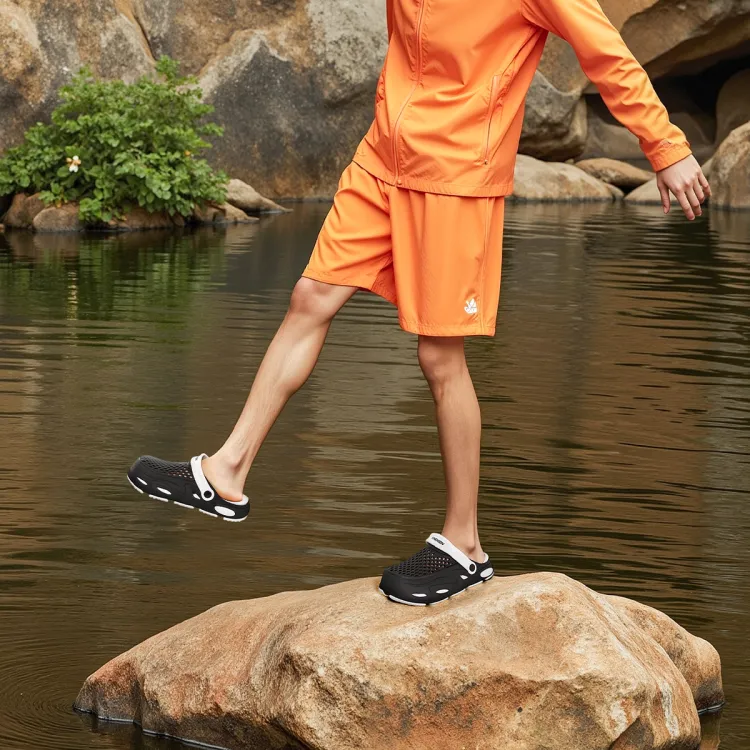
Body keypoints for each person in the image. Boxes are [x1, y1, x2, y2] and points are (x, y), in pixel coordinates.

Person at [128, 0, 710, 606]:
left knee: (439, 357)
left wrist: (665, 147)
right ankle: (226, 471)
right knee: (310, 296)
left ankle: (465, 544)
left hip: (456, 177)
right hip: (383, 157)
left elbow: (606, 53)